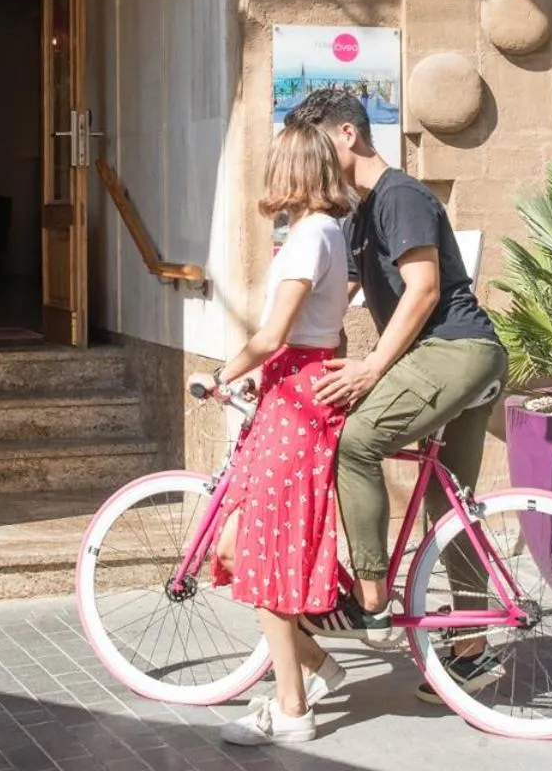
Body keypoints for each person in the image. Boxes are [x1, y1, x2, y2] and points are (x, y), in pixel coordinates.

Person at [284, 87, 508, 703]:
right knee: (449, 504)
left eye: (316, 147)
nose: (313, 163)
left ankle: (373, 597)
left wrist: (372, 367)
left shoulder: (400, 195)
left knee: (357, 442)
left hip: (454, 351)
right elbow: (334, 290)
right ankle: (471, 650)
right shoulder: (359, 214)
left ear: (347, 136)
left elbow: (424, 289)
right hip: (458, 358)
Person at [190, 122, 355, 747]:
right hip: (292, 392)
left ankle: (292, 708)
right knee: (238, 545)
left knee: (265, 551)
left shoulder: (311, 236)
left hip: (295, 401)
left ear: (293, 170)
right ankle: (318, 670)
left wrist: (218, 375)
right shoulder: (322, 233)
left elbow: (275, 334)